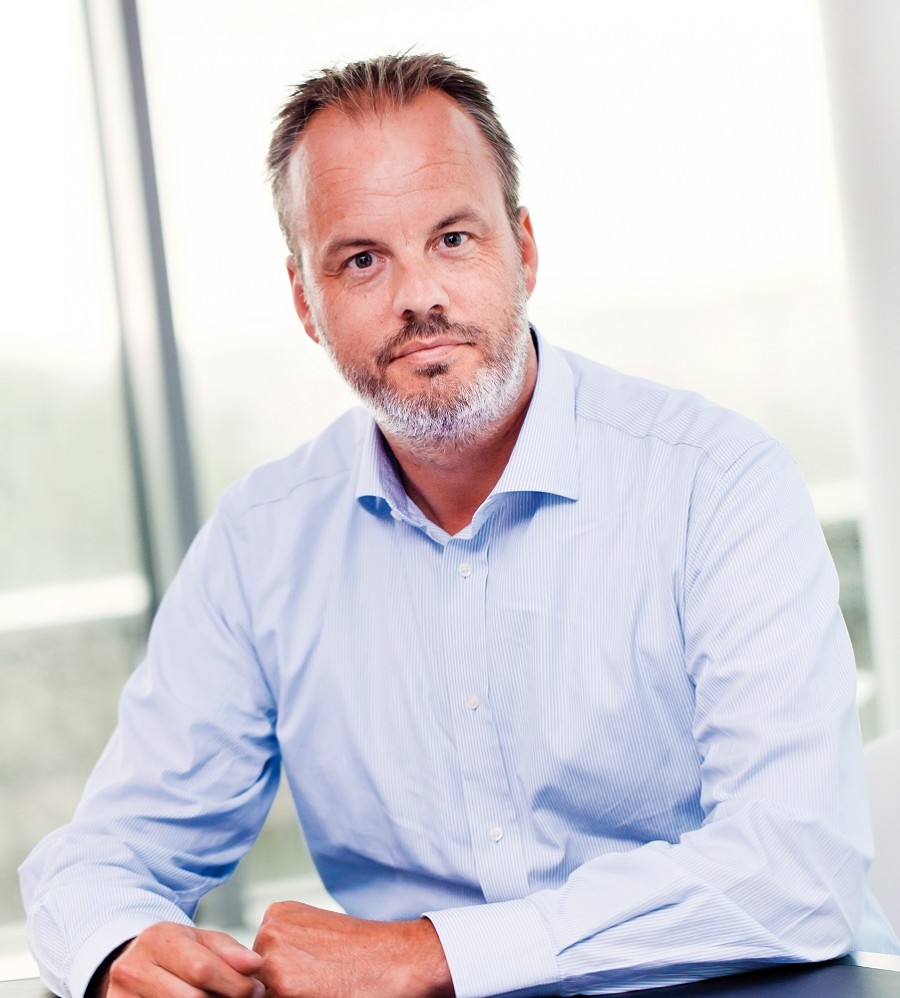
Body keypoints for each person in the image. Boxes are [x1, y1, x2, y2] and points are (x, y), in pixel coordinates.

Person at [20, 52, 899, 998]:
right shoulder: (259, 543)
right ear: (306, 301)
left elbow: (795, 869)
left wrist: (432, 953)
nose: (418, 297)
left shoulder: (717, 484)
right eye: (362, 260)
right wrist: (119, 948)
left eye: (452, 239)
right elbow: (100, 857)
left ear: (523, 250)